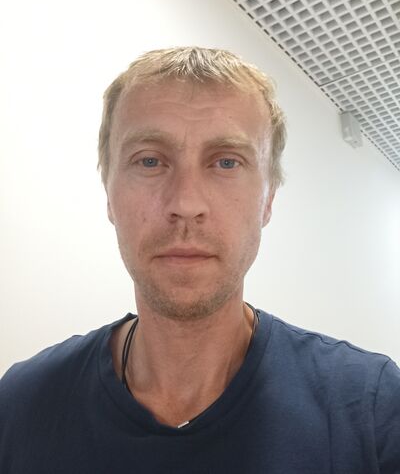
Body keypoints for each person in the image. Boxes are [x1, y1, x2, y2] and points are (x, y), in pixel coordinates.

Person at [0, 47, 399, 473]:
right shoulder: (21, 405)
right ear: (109, 194)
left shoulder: (371, 411)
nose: (186, 204)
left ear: (268, 200)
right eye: (149, 161)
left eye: (226, 162)